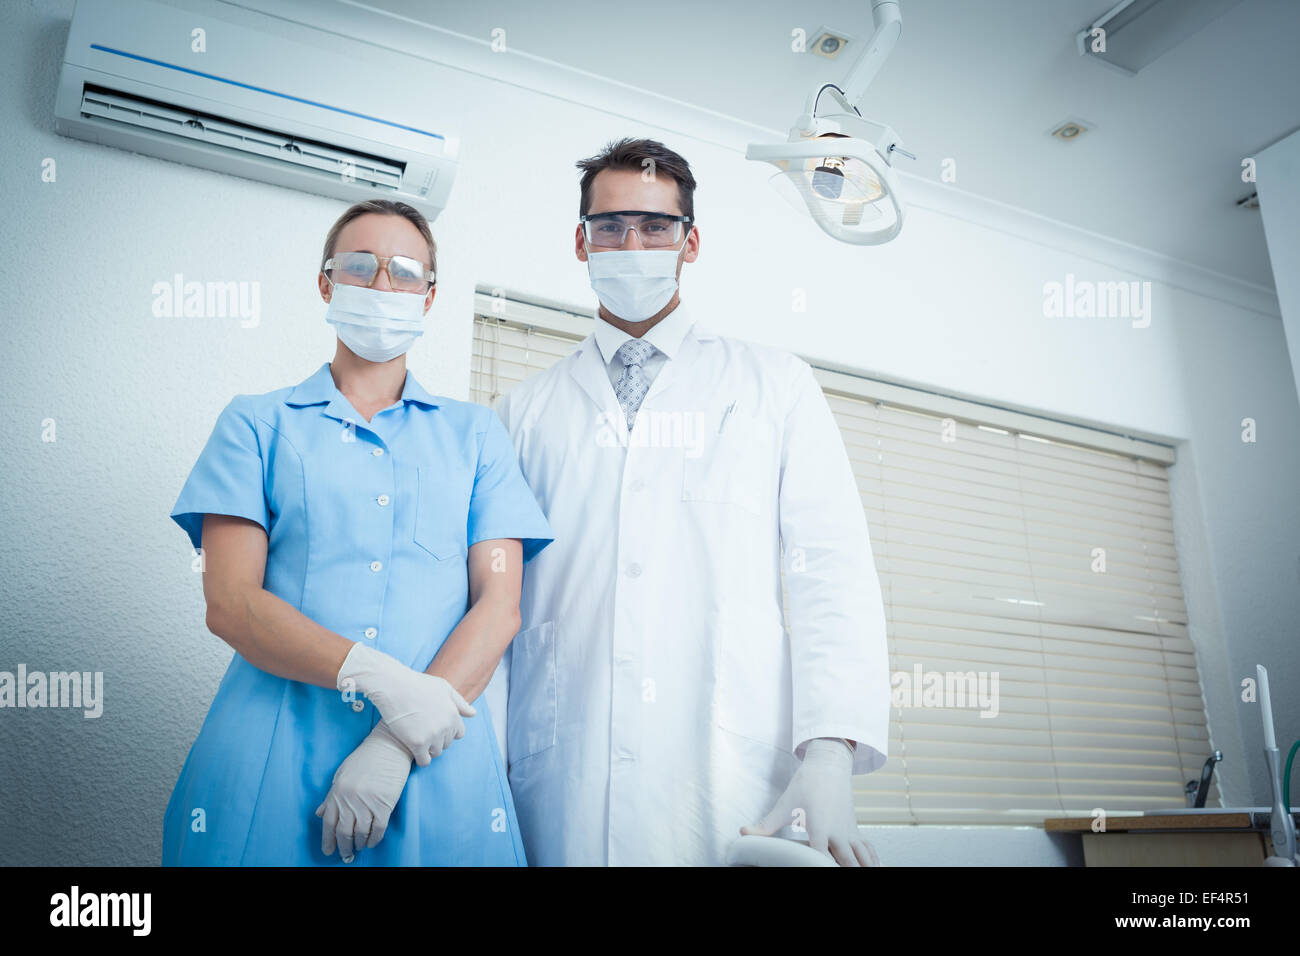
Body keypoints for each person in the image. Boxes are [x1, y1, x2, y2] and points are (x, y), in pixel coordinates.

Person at [489, 138, 890, 866]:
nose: (630, 242)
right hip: (559, 780)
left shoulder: (775, 386)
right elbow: (493, 616)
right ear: (580, 244)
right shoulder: (519, 416)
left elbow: (831, 574)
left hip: (729, 777)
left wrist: (830, 752)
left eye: (654, 225)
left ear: (691, 242)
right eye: (608, 226)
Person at [164, 199, 553, 866]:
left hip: (434, 756)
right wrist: (380, 680)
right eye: (359, 266)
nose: (381, 285)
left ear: (430, 297)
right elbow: (230, 602)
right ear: (326, 283)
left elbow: (499, 604)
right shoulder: (257, 425)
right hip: (273, 745)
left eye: (405, 272)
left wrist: (394, 743)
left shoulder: (476, 436)